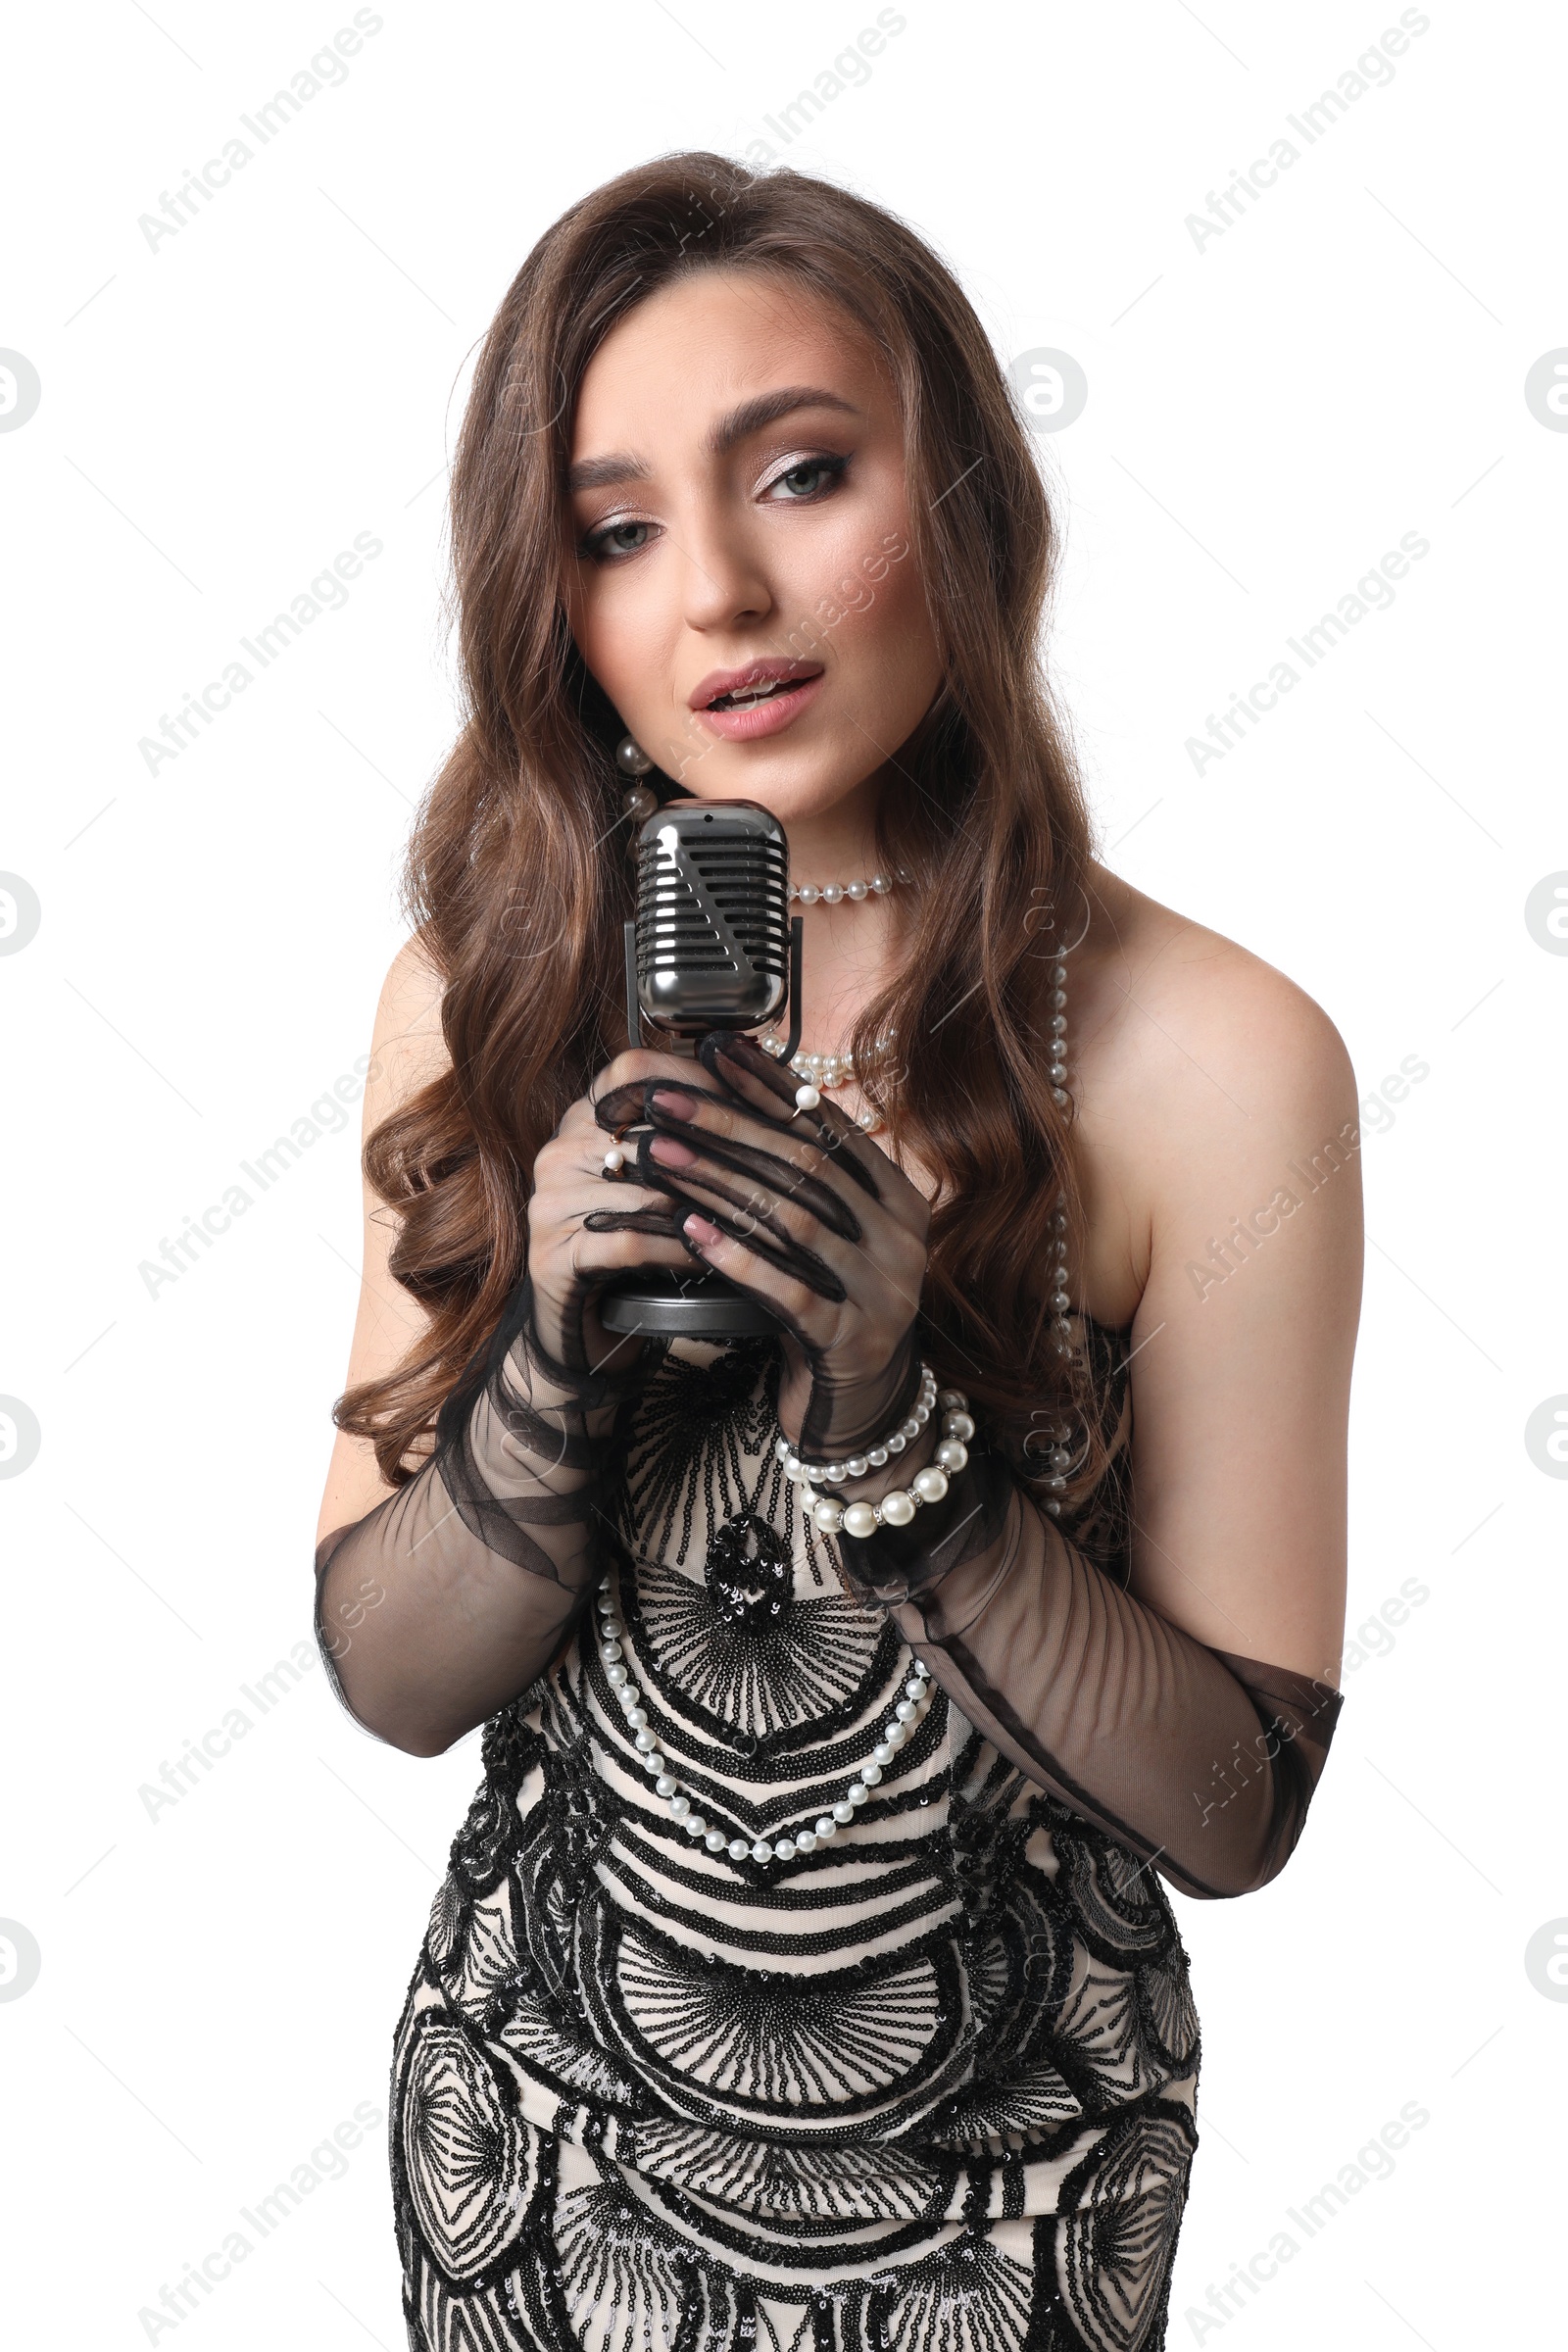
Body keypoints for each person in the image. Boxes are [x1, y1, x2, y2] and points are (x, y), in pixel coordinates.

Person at [314, 153, 1360, 2352]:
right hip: (539, 2166)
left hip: (1019, 2203)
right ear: (554, 601)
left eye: (797, 473)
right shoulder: (483, 996)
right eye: (613, 530)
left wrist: (893, 1434)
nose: (714, 591)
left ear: (961, 499)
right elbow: (389, 1683)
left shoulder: (1212, 1061)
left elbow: (1230, 1807)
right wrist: (551, 1370)